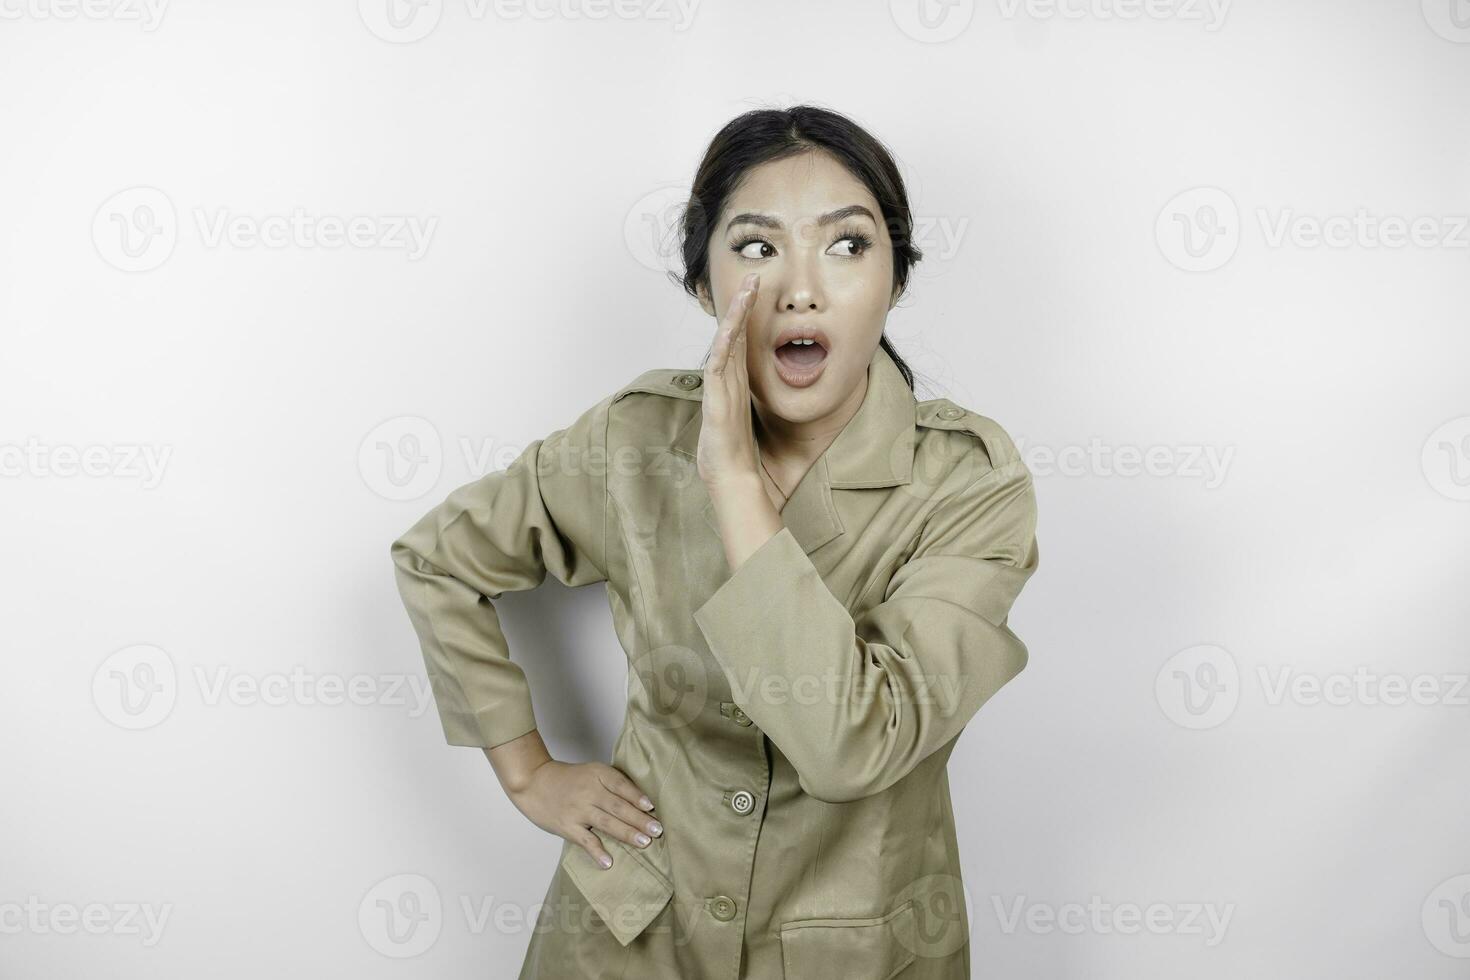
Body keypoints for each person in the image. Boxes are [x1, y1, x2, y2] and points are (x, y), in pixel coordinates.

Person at [390, 104, 1041, 979]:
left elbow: (855, 747)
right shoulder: (631, 441)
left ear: (895, 277)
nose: (800, 288)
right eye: (758, 247)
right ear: (703, 284)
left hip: (860, 951)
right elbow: (438, 560)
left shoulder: (970, 483)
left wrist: (733, 483)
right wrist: (528, 771)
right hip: (624, 932)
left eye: (847, 245)